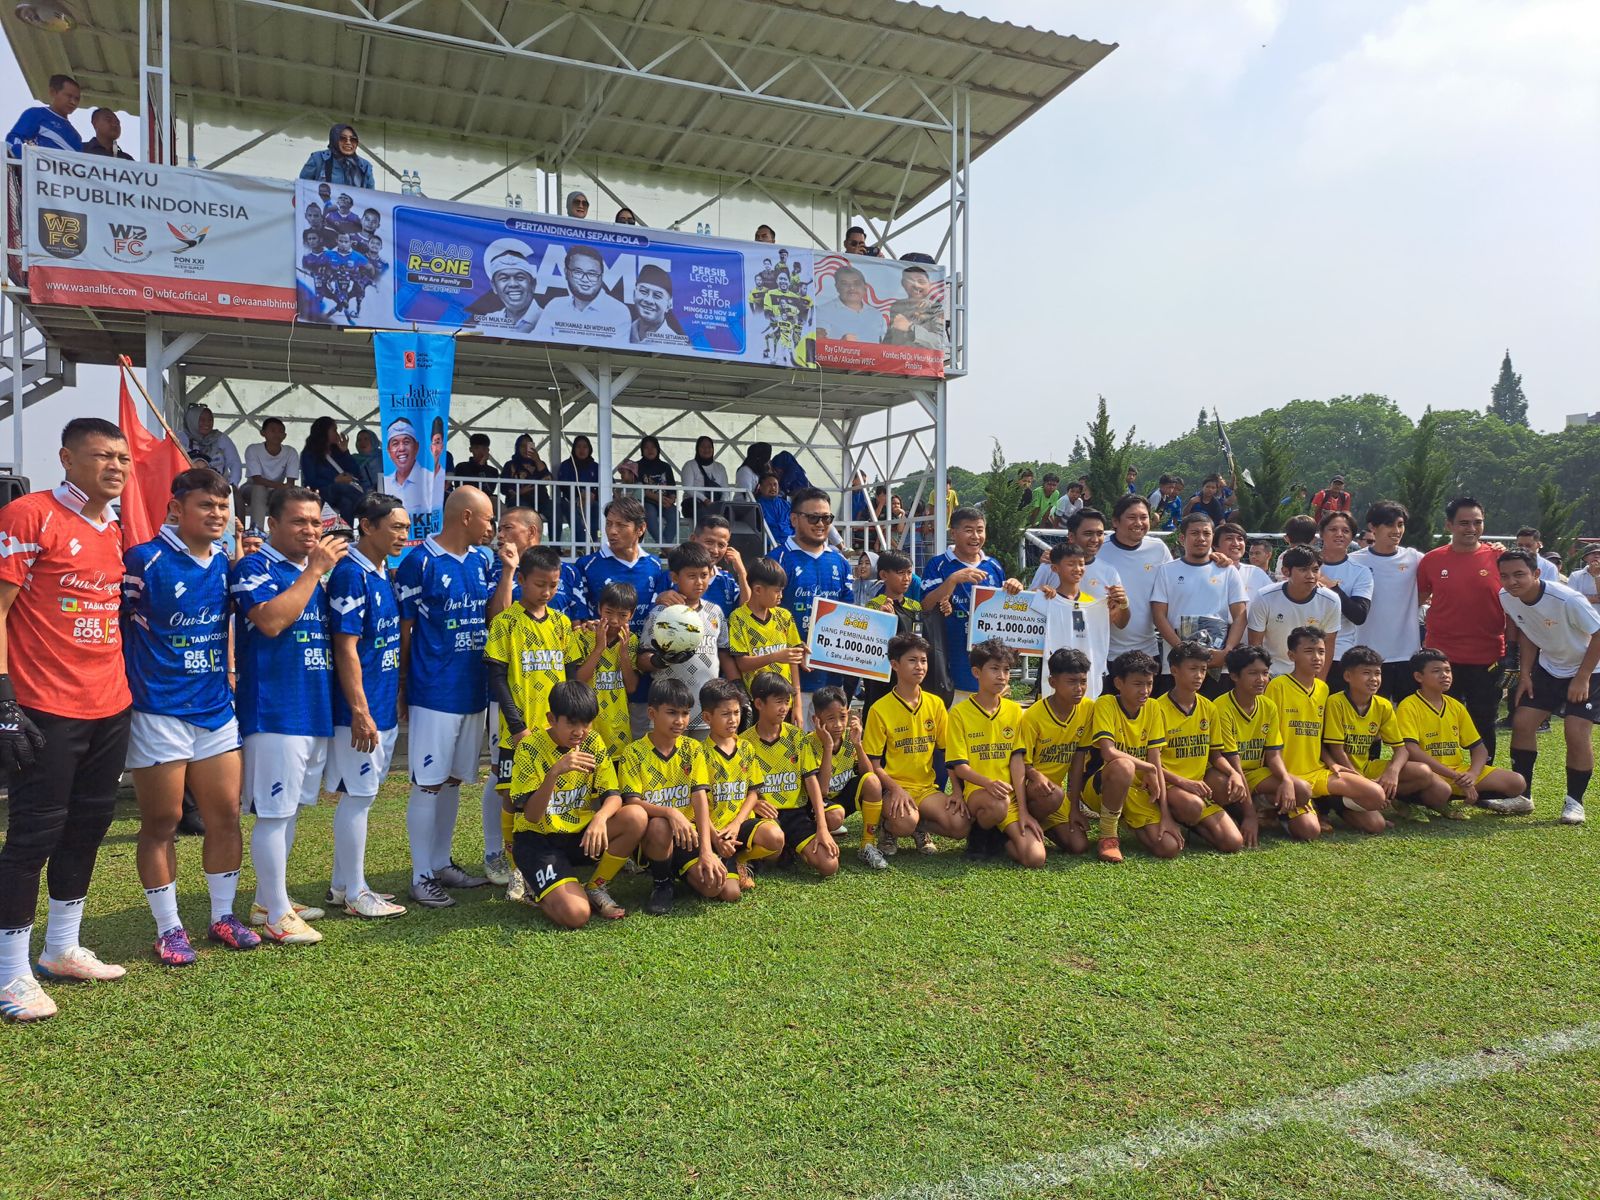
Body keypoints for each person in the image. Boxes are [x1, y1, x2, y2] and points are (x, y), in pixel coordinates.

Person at [0, 419, 132, 1022]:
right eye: (102, 456)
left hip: (109, 703)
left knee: (88, 828)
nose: (116, 467)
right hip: (44, 704)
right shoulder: (29, 515)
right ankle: (10, 975)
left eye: (123, 458)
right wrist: (4, 697)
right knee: (33, 837)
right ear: (67, 459)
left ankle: (60, 949)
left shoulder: (114, 527)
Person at [124, 468, 258, 966]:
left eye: (223, 508)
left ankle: (222, 916)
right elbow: (119, 626)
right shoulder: (144, 559)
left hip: (215, 710)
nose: (217, 515)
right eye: (207, 506)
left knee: (224, 816)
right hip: (158, 711)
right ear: (176, 509)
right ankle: (169, 927)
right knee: (163, 820)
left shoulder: (226, 563)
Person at [231, 485, 347, 945]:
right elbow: (271, 621)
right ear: (273, 525)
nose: (311, 531)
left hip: (312, 705)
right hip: (274, 709)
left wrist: (316, 571)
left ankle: (268, 898)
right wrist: (315, 570)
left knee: (290, 810)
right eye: (299, 522)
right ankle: (278, 915)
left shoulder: (315, 571)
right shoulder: (256, 565)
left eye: (316, 523)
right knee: (273, 814)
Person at [396, 486, 502, 909]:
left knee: (455, 780)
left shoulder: (482, 561)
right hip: (434, 690)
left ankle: (441, 863)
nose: (492, 528)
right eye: (488, 519)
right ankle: (420, 875)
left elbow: (494, 617)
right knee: (428, 783)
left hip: (472, 688)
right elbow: (404, 630)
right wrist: (404, 684)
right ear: (465, 518)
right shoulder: (418, 561)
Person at [323, 492, 409, 919]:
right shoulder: (349, 575)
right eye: (395, 526)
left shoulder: (380, 571)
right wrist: (360, 709)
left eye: (406, 527)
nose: (403, 534)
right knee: (358, 795)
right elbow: (346, 647)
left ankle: (343, 886)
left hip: (381, 703)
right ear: (367, 526)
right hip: (360, 710)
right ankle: (357, 892)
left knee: (361, 796)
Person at [509, 680, 645, 926]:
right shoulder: (529, 748)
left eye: (586, 722)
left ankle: (595, 886)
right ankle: (535, 887)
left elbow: (613, 795)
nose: (580, 731)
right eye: (572, 723)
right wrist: (554, 773)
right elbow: (531, 816)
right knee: (577, 915)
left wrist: (600, 818)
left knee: (635, 816)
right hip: (538, 840)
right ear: (552, 719)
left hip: (578, 835)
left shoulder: (593, 742)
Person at [482, 544, 574, 900]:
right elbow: (497, 677)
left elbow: (567, 677)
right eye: (539, 584)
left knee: (546, 794)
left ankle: (546, 859)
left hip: (554, 732)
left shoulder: (562, 623)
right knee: (511, 797)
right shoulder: (506, 622)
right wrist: (517, 725)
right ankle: (516, 869)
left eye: (553, 584)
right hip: (519, 732)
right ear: (520, 580)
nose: (546, 592)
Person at [1498, 549, 1600, 825]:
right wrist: (1526, 673)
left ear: (1536, 574)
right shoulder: (1507, 597)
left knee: (1575, 731)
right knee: (1522, 722)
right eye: (1505, 576)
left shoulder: (1567, 599)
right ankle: (1523, 796)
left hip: (1590, 669)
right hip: (1549, 667)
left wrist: (1582, 677)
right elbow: (1529, 631)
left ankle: (1575, 803)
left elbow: (1598, 634)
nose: (1512, 581)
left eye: (1519, 574)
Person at [620, 677, 729, 915]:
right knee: (661, 825)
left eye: (685, 713)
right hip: (653, 836)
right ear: (652, 713)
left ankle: (682, 869)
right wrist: (671, 812)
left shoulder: (693, 748)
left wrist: (706, 851)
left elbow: (700, 797)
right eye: (671, 713)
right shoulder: (634, 752)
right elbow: (632, 803)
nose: (679, 721)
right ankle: (662, 883)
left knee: (713, 888)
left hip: (688, 834)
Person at [1265, 628, 1388, 836]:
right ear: (1291, 655)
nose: (1317, 657)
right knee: (1309, 831)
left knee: (1376, 800)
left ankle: (1328, 805)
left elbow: (1319, 738)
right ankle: (1276, 809)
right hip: (1288, 773)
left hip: (1317, 772)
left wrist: (1333, 764)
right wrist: (1284, 776)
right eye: (1309, 651)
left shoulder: (1323, 690)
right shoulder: (1277, 686)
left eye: (1321, 651)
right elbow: (1268, 742)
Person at [1417, 496, 1507, 762]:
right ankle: (1438, 778)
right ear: (1449, 525)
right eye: (1464, 523)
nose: (1471, 528)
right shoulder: (1432, 560)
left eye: (1477, 522)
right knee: (1438, 719)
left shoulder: (1500, 557)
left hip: (1487, 656)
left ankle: (1484, 776)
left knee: (1483, 718)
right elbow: (1418, 601)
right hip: (1443, 657)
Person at [948, 640, 1045, 867]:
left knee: (1035, 859)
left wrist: (1023, 811)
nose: (1002, 676)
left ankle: (1001, 839)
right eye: (994, 669)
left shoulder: (1015, 712)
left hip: (1007, 798)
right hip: (979, 794)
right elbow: (959, 767)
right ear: (976, 672)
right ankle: (978, 836)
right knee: (996, 804)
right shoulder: (959, 713)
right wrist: (988, 783)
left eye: (1007, 670)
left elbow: (1018, 763)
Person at [1398, 649, 1530, 816]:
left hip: (1458, 772)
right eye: (1436, 671)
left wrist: (1472, 775)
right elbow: (1412, 750)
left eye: (1447, 670)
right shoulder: (1408, 706)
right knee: (1441, 791)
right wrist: (1455, 776)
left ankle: (1453, 796)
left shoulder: (1455, 706)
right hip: (1429, 772)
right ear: (1419, 677)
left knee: (1516, 782)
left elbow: (1479, 749)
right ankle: (1406, 800)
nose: (1445, 675)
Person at [1324, 645, 1447, 819]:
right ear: (1348, 676)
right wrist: (1362, 782)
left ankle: (1387, 797)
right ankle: (1342, 802)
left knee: (1426, 775)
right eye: (1366, 673)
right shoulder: (1335, 702)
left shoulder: (1383, 705)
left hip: (1367, 767)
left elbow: (1401, 749)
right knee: (1375, 825)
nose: (1374, 679)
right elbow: (1337, 751)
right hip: (1342, 772)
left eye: (1377, 673)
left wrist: (1393, 773)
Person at [1083, 651, 1181, 863]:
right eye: (1138, 684)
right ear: (1119, 683)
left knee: (1168, 848)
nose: (1145, 691)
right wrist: (1149, 768)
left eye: (1149, 683)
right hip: (1099, 785)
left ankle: (1128, 819)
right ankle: (1108, 836)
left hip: (1137, 788)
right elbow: (1108, 752)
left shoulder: (1153, 707)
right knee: (1123, 765)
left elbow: (1154, 760)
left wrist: (1166, 816)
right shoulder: (1105, 703)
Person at [767, 487, 854, 728]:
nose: (820, 523)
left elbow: (849, 614)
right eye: (813, 517)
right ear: (794, 519)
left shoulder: (840, 561)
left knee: (832, 753)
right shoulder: (777, 559)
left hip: (833, 679)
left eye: (826, 518)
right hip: (791, 683)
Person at [868, 633, 963, 851]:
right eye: (912, 660)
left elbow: (949, 754)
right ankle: (889, 828)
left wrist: (957, 791)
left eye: (923, 660)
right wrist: (896, 790)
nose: (919, 666)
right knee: (904, 823)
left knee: (960, 825)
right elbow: (872, 764)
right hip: (894, 788)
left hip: (926, 789)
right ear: (895, 665)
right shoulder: (879, 709)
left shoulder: (936, 704)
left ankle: (920, 826)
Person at [741, 673, 840, 878]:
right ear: (759, 703)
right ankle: (757, 855)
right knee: (773, 841)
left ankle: (787, 849)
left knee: (829, 865)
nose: (784, 708)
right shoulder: (744, 743)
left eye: (787, 702)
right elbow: (738, 786)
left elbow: (812, 782)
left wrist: (822, 828)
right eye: (778, 702)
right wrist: (755, 802)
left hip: (797, 814)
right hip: (765, 815)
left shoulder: (797, 737)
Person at [921, 507, 1022, 705]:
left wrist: (1015, 588)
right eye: (968, 530)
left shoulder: (993, 566)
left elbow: (1005, 610)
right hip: (951, 666)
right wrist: (951, 581)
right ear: (954, 533)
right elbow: (925, 604)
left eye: (980, 530)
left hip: (989, 671)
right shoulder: (938, 565)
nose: (975, 536)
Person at [1152, 642, 1245, 852]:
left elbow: (1215, 755)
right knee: (1192, 807)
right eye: (1193, 669)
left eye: (1203, 670)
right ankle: (1174, 813)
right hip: (1168, 785)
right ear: (1174, 671)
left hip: (1197, 788)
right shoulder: (1156, 708)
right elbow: (1151, 762)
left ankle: (1193, 824)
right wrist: (1184, 783)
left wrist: (1234, 773)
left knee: (1233, 843)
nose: (1199, 675)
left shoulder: (1208, 707)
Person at [698, 679, 782, 889]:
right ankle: (724, 861)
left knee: (775, 837)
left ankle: (741, 859)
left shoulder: (745, 747)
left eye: (736, 713)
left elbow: (753, 792)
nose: (733, 720)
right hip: (714, 830)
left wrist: (736, 825)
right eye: (726, 714)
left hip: (740, 824)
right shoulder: (699, 753)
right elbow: (697, 803)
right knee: (729, 893)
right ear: (707, 717)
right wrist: (716, 837)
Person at [1149, 512, 1247, 692]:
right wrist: (1182, 650)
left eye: (1206, 533)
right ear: (1182, 538)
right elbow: (1158, 615)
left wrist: (1227, 651)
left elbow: (1240, 616)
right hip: (1177, 662)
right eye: (1194, 533)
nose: (1201, 538)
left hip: (1217, 664)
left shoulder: (1228, 571)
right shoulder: (1167, 571)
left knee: (1213, 716)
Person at [638, 541, 724, 739]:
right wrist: (659, 660)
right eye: (691, 576)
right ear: (675, 577)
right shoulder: (661, 613)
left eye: (704, 575)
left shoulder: (715, 612)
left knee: (701, 768)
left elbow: (724, 655)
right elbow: (641, 659)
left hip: (707, 712)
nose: (699, 582)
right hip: (670, 713)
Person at [1017, 648, 1097, 855]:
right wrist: (1036, 776)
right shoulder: (1033, 716)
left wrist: (1074, 808)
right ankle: (1017, 827)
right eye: (1071, 682)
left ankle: (1039, 827)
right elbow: (1019, 762)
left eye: (1083, 681)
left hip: (1056, 796)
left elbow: (1079, 759)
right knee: (1053, 795)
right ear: (1053, 682)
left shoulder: (1087, 709)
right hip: (1030, 790)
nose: (1079, 688)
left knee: (1078, 846)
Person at [1347, 501, 1424, 700]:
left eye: (1400, 524)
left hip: (1407, 653)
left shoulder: (1414, 558)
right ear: (1372, 527)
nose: (1396, 530)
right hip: (1367, 654)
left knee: (1407, 720)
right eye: (1389, 525)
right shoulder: (1355, 562)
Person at [1096, 494, 1172, 669]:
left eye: (1144, 517)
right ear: (1115, 522)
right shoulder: (1099, 549)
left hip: (1148, 650)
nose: (1139, 523)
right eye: (1131, 517)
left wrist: (1213, 557)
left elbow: (1176, 580)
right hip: (1105, 652)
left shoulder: (1158, 549)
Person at [1032, 543, 1116, 699]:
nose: (1077, 569)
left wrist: (1119, 605)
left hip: (1087, 678)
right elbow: (1023, 609)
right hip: (1056, 676)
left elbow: (1115, 623)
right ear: (1055, 568)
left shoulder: (1093, 603)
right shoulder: (1048, 598)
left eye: (1081, 564)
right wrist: (1038, 592)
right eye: (1071, 564)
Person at [725, 557, 804, 714]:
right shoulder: (738, 618)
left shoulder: (784, 616)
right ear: (758, 590)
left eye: (781, 590)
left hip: (785, 702)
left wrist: (797, 705)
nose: (781, 595)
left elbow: (793, 661)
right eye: (777, 591)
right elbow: (742, 664)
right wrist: (775, 656)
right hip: (757, 703)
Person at [1247, 546, 1341, 677]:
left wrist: (1320, 682)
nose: (1311, 575)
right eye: (1303, 569)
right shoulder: (1265, 597)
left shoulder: (1331, 600)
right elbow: (1255, 643)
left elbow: (1328, 644)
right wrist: (1263, 677)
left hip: (1308, 676)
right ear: (1286, 572)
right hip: (1272, 673)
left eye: (1315, 570)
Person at [1316, 511, 1376, 678]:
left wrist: (1332, 587)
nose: (1339, 534)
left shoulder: (1360, 572)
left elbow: (1358, 615)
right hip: (1301, 653)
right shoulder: (1305, 564)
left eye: (1345, 530)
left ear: (1352, 537)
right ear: (1322, 533)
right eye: (1333, 529)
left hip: (1339, 654)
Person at [535, 245, 630, 341]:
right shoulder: (555, 306)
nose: (585, 279)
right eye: (578, 272)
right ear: (566, 273)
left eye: (592, 274)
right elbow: (537, 342)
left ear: (601, 276)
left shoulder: (619, 311)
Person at [301, 416, 363, 525]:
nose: (337, 433)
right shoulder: (309, 454)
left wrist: (345, 452)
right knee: (342, 487)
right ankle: (367, 503)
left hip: (342, 493)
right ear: (324, 431)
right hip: (321, 492)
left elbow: (356, 473)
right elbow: (311, 480)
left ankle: (346, 535)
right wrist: (334, 480)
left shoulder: (337, 451)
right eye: (334, 430)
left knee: (347, 502)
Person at [469, 239, 541, 332]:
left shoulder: (547, 319)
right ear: (494, 286)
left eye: (520, 277)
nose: (513, 284)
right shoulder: (488, 322)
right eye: (504, 278)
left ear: (533, 284)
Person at [5, 74, 82, 157]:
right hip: (36, 169)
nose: (73, 102)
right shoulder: (36, 114)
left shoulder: (76, 137)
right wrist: (31, 161)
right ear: (53, 92)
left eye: (77, 99)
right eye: (69, 96)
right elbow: (13, 141)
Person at [242, 417, 299, 530]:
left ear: (285, 435)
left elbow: (290, 483)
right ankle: (256, 531)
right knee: (259, 489)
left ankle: (282, 533)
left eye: (280, 431)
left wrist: (283, 488)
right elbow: (257, 479)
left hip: (276, 491)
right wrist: (282, 487)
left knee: (290, 494)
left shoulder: (290, 452)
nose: (277, 434)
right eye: (272, 430)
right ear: (263, 433)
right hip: (251, 488)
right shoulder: (253, 449)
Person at [815, 265, 886, 343]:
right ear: (837, 287)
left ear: (865, 287)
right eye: (844, 284)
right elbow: (817, 346)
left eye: (857, 283)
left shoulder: (876, 314)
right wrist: (841, 344)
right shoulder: (822, 311)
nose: (852, 287)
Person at [882, 266, 944, 349]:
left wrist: (910, 328)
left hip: (921, 360)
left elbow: (939, 343)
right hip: (896, 358)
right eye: (910, 281)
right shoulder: (897, 306)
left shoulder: (936, 308)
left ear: (929, 284)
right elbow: (890, 337)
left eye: (921, 281)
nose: (916, 285)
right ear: (903, 283)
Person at [628, 265, 690, 348]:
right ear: (634, 294)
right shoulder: (623, 330)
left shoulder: (677, 346)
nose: (649, 300)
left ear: (669, 305)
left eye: (657, 296)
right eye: (643, 291)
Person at [298, 124, 375, 189]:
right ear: (334, 139)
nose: (348, 142)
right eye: (342, 138)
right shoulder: (318, 158)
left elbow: (371, 197)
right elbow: (303, 189)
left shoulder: (365, 166)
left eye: (353, 139)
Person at [500, 434, 553, 528]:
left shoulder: (539, 464)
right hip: (519, 500)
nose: (525, 449)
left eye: (528, 446)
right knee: (525, 512)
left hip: (541, 500)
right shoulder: (510, 465)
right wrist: (519, 492)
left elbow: (548, 479)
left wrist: (537, 460)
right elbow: (504, 488)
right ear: (517, 448)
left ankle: (556, 541)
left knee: (554, 509)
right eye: (522, 446)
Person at [556, 435, 601, 546]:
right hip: (570, 500)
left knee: (596, 508)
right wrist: (581, 495)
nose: (581, 450)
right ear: (574, 448)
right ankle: (581, 546)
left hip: (591, 502)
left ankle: (593, 544)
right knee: (571, 510)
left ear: (589, 449)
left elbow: (607, 484)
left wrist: (592, 494)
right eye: (578, 446)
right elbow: (563, 485)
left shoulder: (596, 467)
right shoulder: (566, 465)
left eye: (585, 447)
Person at [185, 405, 243, 488]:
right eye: (202, 420)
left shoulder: (220, 438)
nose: (207, 423)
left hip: (218, 487)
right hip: (190, 486)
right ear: (192, 420)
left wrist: (232, 485)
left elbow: (234, 463)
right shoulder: (182, 438)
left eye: (210, 420)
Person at [1214, 521, 1273, 602]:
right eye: (1229, 538)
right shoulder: (1207, 572)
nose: (1236, 543)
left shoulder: (1256, 573)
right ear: (1215, 546)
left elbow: (1274, 600)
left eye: (1240, 539)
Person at [635, 436, 679, 543]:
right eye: (646, 447)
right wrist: (658, 498)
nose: (650, 450)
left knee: (675, 515)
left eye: (653, 447)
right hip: (648, 501)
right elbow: (639, 488)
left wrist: (671, 500)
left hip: (665, 501)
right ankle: (664, 547)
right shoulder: (637, 466)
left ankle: (665, 547)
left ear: (658, 449)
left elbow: (672, 487)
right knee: (649, 515)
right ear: (642, 450)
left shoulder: (665, 466)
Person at [678, 435, 730, 521]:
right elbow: (688, 488)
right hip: (694, 504)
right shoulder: (690, 465)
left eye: (709, 447)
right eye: (703, 447)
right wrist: (705, 500)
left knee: (729, 513)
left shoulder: (720, 467)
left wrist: (721, 504)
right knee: (704, 516)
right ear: (697, 449)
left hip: (716, 503)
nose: (706, 449)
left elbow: (725, 490)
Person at [755, 472, 793, 544]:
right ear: (760, 487)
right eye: (769, 485)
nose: (773, 488)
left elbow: (796, 523)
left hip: (789, 542)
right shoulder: (757, 506)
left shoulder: (786, 505)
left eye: (775, 485)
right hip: (768, 544)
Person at [350, 428, 383, 494]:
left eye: (366, 439)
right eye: (359, 440)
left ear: (373, 440)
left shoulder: (383, 457)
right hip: (362, 498)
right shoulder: (353, 459)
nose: (362, 442)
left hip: (385, 497)